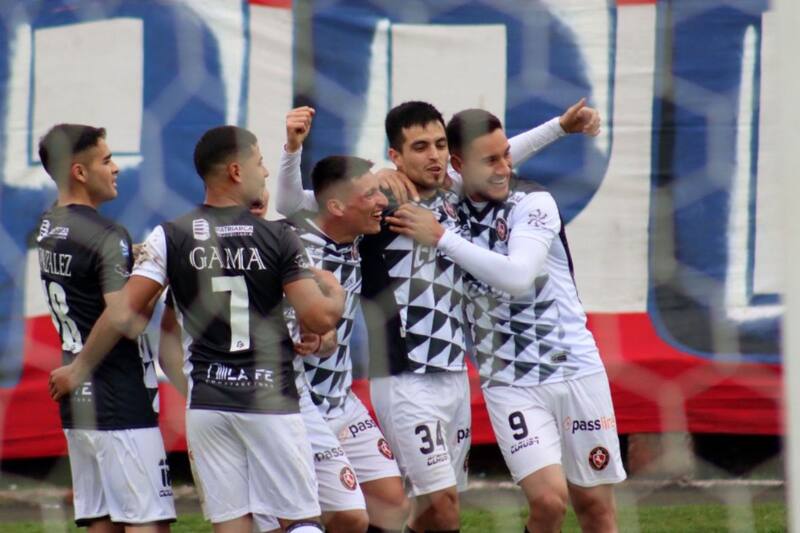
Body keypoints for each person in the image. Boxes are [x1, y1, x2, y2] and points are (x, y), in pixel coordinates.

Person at [276, 101, 595, 532]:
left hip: (453, 375)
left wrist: (559, 126)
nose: (434, 156)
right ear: (396, 156)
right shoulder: (379, 203)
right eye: (420, 146)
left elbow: (498, 155)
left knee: (431, 516)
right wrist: (293, 149)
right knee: (441, 505)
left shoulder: (453, 193)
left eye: (441, 145)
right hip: (404, 377)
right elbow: (295, 202)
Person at [50, 125, 346, 533]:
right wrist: (336, 291)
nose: (264, 173)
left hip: (207, 402)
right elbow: (318, 319)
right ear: (237, 171)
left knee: (232, 525)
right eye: (259, 163)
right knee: (300, 520)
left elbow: (122, 313)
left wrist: (79, 368)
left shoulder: (169, 236)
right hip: (269, 395)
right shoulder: (278, 235)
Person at [385, 108, 626, 533]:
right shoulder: (450, 194)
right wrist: (379, 177)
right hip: (508, 380)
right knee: (550, 501)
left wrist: (443, 238)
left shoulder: (534, 202)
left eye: (506, 156)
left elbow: (517, 276)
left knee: (595, 507)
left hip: (574, 366)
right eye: (491, 161)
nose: (504, 167)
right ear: (459, 167)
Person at [37, 124, 175, 532]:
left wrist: (124, 262)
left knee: (103, 521)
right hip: (119, 397)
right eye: (107, 159)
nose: (115, 168)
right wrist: (156, 277)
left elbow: (84, 280)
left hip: (78, 403)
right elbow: (125, 320)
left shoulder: (50, 226)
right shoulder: (107, 233)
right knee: (148, 522)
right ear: (80, 172)